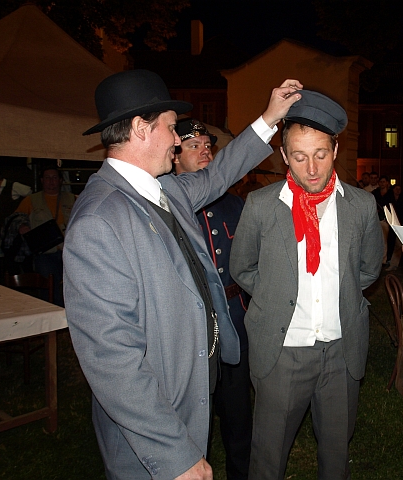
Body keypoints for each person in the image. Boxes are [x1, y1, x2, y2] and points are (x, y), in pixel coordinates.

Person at [63, 69, 302, 480]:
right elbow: (111, 361)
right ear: (141, 129)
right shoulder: (100, 221)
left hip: (190, 397)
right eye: (172, 128)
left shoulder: (167, 191)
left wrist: (270, 117)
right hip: (155, 427)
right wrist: (174, 455)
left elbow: (219, 173)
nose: (177, 140)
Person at [230, 90, 383, 480]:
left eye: (320, 154)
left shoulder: (361, 206)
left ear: (335, 149)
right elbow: (242, 267)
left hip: (341, 352)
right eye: (299, 157)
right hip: (282, 353)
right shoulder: (261, 205)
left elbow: (368, 270)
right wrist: (276, 295)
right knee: (268, 457)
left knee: (336, 454)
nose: (312, 169)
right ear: (283, 155)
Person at [172, 118, 252, 480]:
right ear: (174, 155)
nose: (205, 151)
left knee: (238, 412)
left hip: (235, 319)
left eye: (208, 146)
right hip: (190, 328)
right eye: (194, 146)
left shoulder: (234, 205)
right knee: (192, 414)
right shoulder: (166, 205)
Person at [15, 166, 75, 305]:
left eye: (54, 177)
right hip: (45, 253)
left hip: (69, 251)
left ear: (60, 180)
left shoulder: (72, 198)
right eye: (47, 178)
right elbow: (16, 218)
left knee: (71, 288)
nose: (51, 181)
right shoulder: (31, 200)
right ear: (42, 180)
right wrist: (21, 226)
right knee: (48, 289)